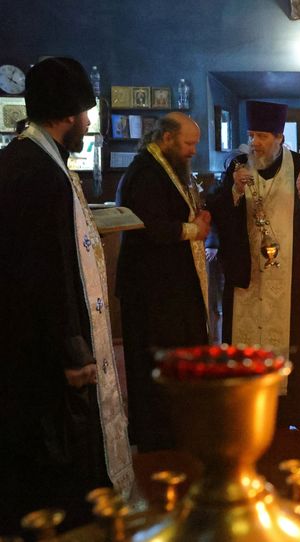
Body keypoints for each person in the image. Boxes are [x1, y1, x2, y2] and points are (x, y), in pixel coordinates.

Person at [0, 57, 132, 533]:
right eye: (86, 113)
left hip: (26, 339)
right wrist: (72, 349)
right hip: (39, 349)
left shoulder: (27, 158)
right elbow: (44, 271)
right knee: (48, 453)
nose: (90, 123)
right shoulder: (39, 173)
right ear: (67, 114)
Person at [207, 100, 300, 431]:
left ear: (279, 137)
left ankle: (294, 411)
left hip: (293, 276)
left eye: (262, 135)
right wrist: (233, 189)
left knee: (298, 344)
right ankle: (247, 410)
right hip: (249, 274)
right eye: (251, 135)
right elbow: (217, 206)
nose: (255, 143)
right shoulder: (237, 165)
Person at [115, 112, 210, 452]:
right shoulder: (145, 172)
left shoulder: (163, 167)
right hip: (152, 288)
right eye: (188, 143)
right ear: (167, 139)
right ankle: (159, 434)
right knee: (156, 358)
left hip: (167, 284)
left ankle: (175, 426)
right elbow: (151, 225)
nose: (192, 151)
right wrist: (194, 229)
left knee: (175, 352)